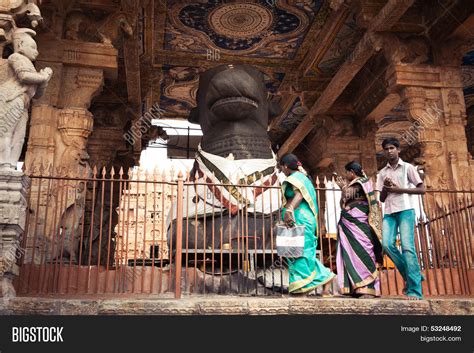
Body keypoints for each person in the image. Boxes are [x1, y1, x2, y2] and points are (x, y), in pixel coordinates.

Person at [376, 137, 425, 300]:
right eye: (386, 149)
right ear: (383, 152)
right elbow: (382, 198)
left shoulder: (408, 168)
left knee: (407, 247)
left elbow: (421, 189)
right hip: (389, 212)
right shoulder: (382, 173)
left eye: (392, 148)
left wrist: (400, 189)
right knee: (387, 245)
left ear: (398, 150)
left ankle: (415, 290)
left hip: (406, 210)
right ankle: (415, 275)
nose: (389, 151)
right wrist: (386, 187)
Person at [279, 153, 336, 295]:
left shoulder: (296, 178)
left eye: (281, 168)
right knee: (298, 251)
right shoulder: (303, 178)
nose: (282, 171)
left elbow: (299, 194)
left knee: (300, 252)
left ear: (285, 166)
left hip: (300, 218)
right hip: (301, 218)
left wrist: (290, 209)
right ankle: (325, 277)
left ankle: (301, 285)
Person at [335, 161, 383, 298]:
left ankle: (368, 288)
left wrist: (343, 187)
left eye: (346, 172)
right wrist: (344, 189)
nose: (346, 175)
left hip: (359, 223)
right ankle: (353, 287)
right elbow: (343, 202)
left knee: (363, 251)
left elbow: (348, 195)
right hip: (348, 222)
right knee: (348, 253)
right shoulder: (353, 184)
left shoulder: (362, 181)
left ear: (352, 172)